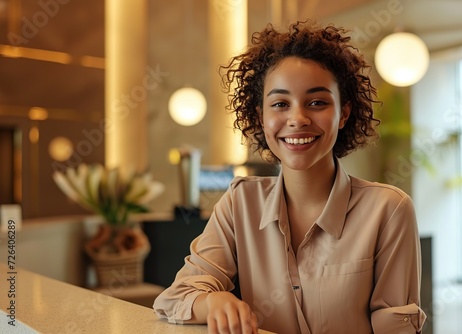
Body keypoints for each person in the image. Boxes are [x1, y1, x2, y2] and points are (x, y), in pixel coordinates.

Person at [154, 20, 426, 334]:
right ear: (260, 117)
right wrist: (213, 302)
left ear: (344, 113)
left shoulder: (389, 209)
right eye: (280, 104)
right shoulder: (240, 203)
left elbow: (396, 328)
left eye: (317, 102)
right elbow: (175, 298)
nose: (297, 119)